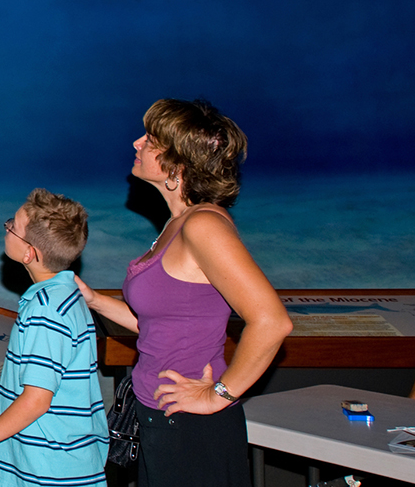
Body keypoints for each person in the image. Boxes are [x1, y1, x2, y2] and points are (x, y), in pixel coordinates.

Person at [76, 98, 293, 487]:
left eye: (151, 139)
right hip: (160, 416)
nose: (136, 143)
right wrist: (91, 299)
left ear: (177, 164)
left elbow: (272, 322)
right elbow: (156, 326)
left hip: (191, 428)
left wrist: (217, 396)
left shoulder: (203, 226)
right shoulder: (179, 223)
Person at [0, 188, 108, 487]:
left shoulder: (45, 312)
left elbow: (36, 401)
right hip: (61, 458)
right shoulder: (67, 294)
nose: (6, 228)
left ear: (30, 252)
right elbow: (52, 387)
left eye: (13, 226)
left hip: (49, 470)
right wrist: (6, 412)